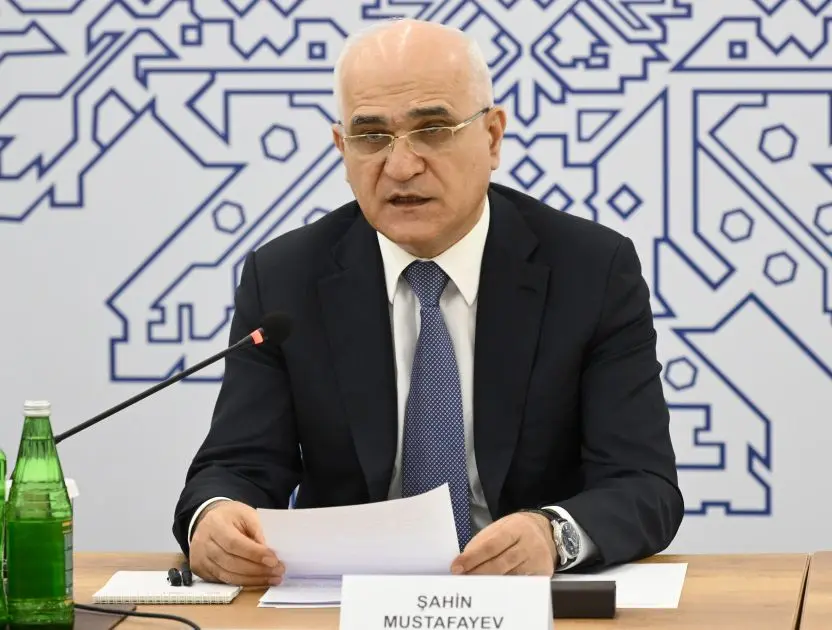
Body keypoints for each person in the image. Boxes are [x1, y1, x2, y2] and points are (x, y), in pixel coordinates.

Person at [172, 18, 683, 586]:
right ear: (342, 149)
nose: (401, 166)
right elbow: (236, 467)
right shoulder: (285, 278)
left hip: (525, 600)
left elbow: (643, 484)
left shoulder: (591, 270)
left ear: (492, 137)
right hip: (344, 603)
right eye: (371, 137)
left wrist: (551, 534)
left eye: (433, 129)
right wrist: (212, 519)